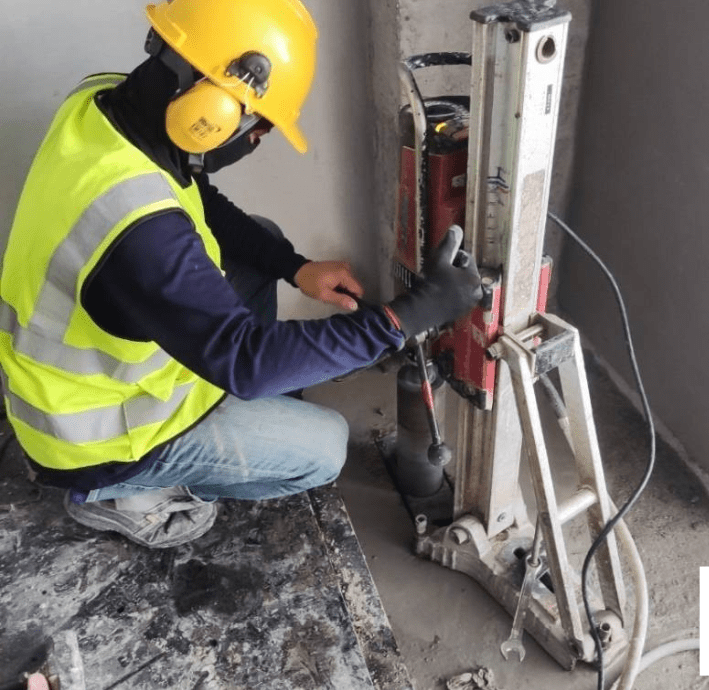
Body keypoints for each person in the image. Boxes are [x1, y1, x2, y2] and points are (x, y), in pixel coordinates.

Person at [0, 0, 482, 548]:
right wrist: (406, 316)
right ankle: (121, 491)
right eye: (261, 124)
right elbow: (247, 361)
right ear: (213, 104)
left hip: (98, 366)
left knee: (262, 240)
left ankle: (236, 419)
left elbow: (197, 197)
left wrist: (295, 268)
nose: (256, 139)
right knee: (324, 449)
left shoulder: (106, 102)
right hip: (95, 435)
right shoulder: (138, 232)